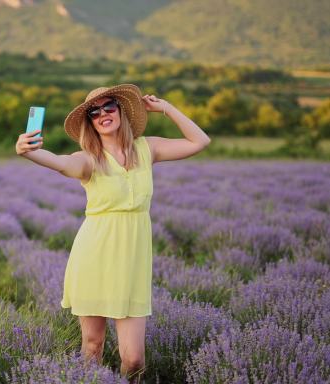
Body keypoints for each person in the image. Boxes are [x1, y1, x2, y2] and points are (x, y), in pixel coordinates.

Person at [15, 83, 211, 382]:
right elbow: (61, 164)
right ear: (90, 123)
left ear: (121, 111)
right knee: (92, 346)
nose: (103, 114)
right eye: (94, 112)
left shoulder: (148, 148)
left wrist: (167, 108)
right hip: (94, 256)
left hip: (132, 262)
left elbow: (199, 141)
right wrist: (29, 153)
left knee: (133, 360)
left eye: (109, 107)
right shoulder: (89, 159)